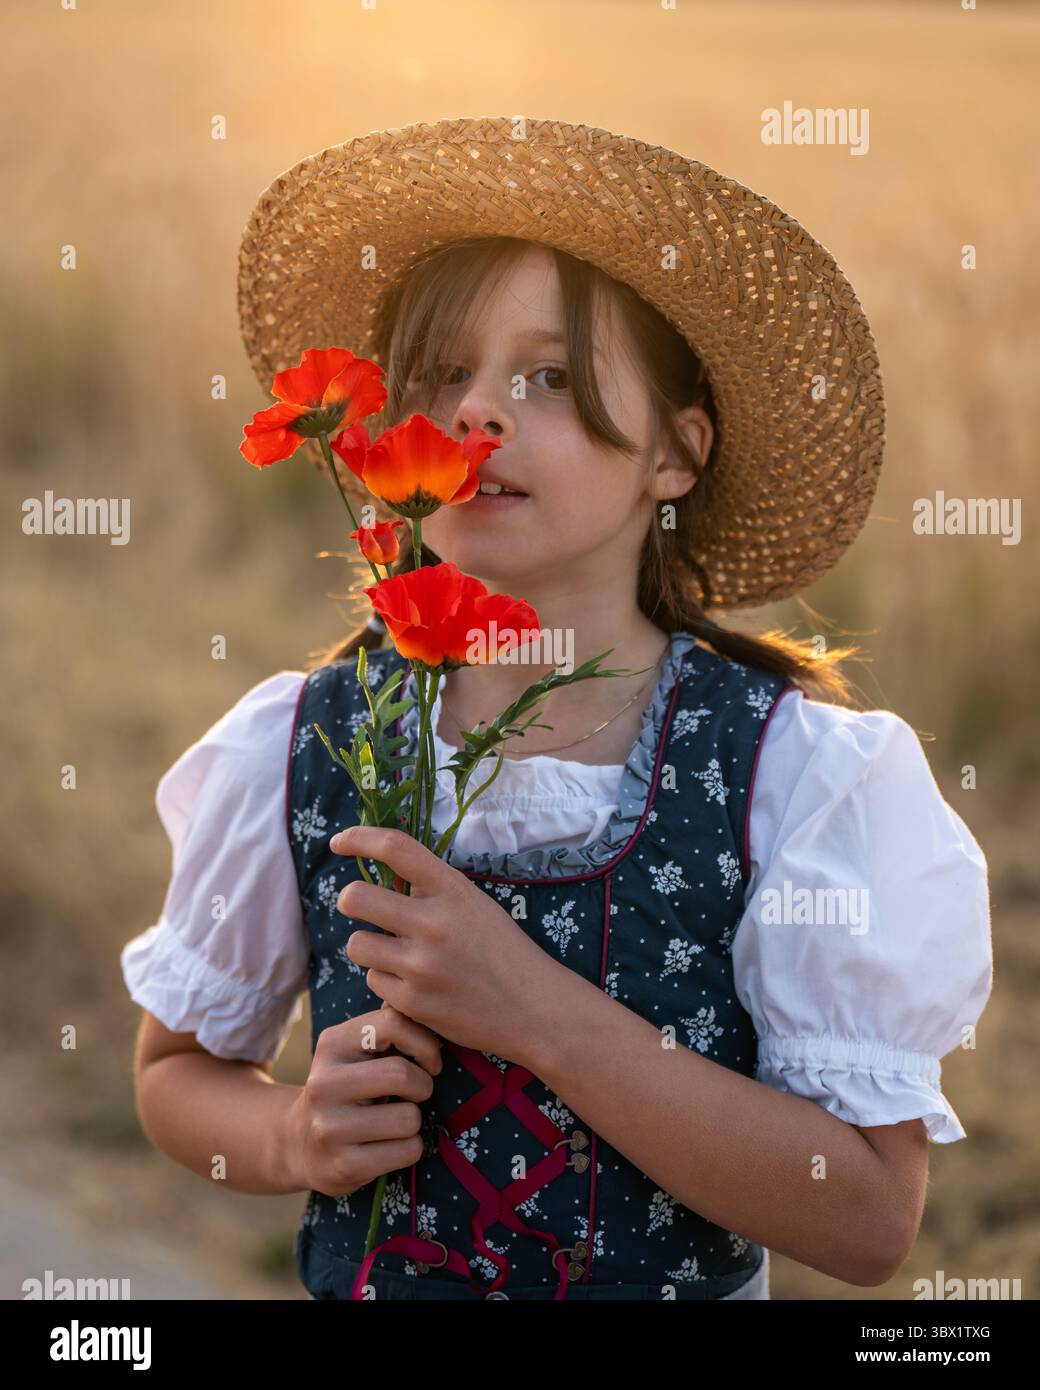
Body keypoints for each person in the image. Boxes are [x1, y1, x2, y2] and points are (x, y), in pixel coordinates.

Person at [121, 116, 992, 1301]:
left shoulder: (795, 775)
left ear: (675, 456)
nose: (480, 413)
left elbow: (867, 1223)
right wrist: (290, 1137)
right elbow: (175, 1074)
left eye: (552, 378)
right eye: (441, 376)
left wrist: (539, 1015)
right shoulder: (308, 736)